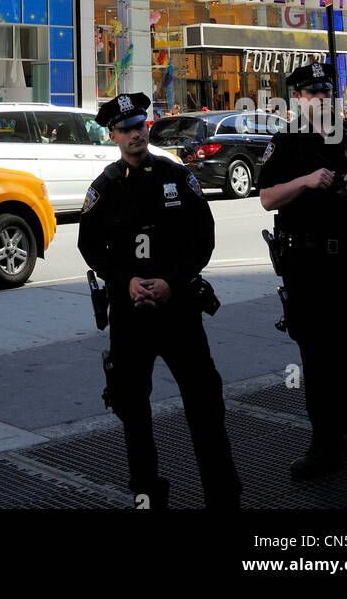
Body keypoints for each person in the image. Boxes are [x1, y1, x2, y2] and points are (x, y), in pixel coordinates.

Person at [78, 91, 242, 510]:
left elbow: (202, 238)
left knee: (205, 403)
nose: (135, 134)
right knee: (133, 409)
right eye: (126, 130)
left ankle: (223, 496)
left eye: (140, 126)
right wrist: (126, 280)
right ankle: (147, 493)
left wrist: (173, 281)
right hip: (131, 316)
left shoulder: (176, 176)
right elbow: (90, 246)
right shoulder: (106, 187)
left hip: (179, 310)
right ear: (113, 135)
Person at [258, 62, 347, 479]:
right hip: (307, 264)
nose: (320, 99)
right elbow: (267, 198)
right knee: (315, 353)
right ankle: (322, 442)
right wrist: (307, 181)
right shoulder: (286, 143)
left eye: (325, 91)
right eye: (311, 93)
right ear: (297, 98)